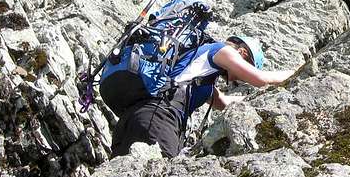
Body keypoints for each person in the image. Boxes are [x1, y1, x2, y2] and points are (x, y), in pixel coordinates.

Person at [110, 33, 298, 158]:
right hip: (158, 120)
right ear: (242, 52)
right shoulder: (221, 51)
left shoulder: (199, 71)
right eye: (246, 66)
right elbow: (261, 79)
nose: (238, 80)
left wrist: (263, 100)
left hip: (135, 118)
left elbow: (223, 102)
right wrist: (298, 74)